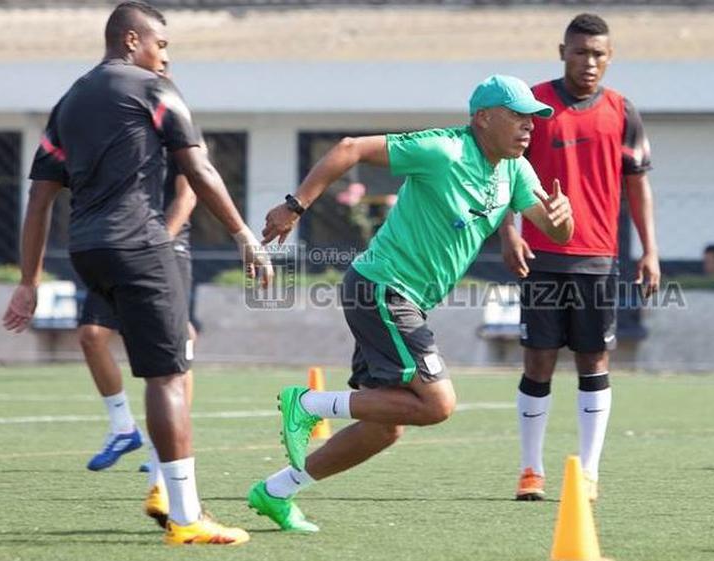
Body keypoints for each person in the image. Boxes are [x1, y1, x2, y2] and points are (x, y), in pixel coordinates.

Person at [246, 75, 573, 532]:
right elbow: (349, 148)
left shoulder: (515, 170)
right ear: (483, 118)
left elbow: (555, 228)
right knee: (437, 405)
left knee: (385, 426)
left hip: (405, 300)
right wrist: (295, 206)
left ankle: (276, 491)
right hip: (382, 287)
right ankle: (308, 404)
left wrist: (562, 218)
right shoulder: (443, 150)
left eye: (532, 119)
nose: (528, 128)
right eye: (517, 116)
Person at [1, 1, 271, 545]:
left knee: (148, 360)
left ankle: (163, 487)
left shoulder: (68, 102)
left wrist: (28, 281)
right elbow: (199, 168)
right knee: (169, 376)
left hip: (87, 251)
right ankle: (185, 513)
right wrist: (245, 237)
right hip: (143, 247)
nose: (164, 56)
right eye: (160, 44)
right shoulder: (153, 90)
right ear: (131, 40)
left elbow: (40, 199)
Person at [497, 13, 660, 502]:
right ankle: (531, 471)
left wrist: (650, 250)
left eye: (598, 54)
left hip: (597, 259)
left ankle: (588, 473)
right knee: (539, 361)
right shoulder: (534, 104)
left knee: (594, 359)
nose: (589, 62)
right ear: (562, 51)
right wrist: (509, 230)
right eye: (580, 52)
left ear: (609, 58)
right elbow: (503, 168)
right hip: (542, 255)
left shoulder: (622, 110)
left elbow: (638, 183)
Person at [79, 144, 203, 530]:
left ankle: (162, 472)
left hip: (165, 249)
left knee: (177, 348)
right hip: (118, 248)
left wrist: (158, 244)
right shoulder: (116, 136)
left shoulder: (178, 131)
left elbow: (189, 193)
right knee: (91, 335)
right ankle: (123, 427)